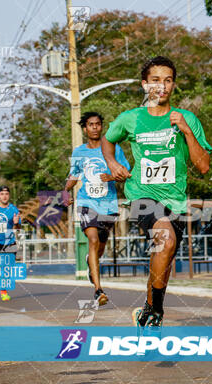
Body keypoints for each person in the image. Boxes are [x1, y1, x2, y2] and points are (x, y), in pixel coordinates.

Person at [101, 56, 212, 329]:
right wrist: (113, 163)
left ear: (173, 84)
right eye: (155, 81)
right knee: (165, 237)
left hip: (175, 199)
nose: (161, 87)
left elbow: (204, 166)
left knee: (165, 255)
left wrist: (186, 131)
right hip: (142, 194)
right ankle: (154, 311)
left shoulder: (187, 119)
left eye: (167, 80)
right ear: (144, 85)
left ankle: (148, 314)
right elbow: (108, 139)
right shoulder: (131, 119)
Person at [65, 111, 130, 306]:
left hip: (108, 204)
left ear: (102, 127)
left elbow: (126, 171)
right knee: (92, 240)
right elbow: (74, 175)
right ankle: (98, 290)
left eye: (97, 124)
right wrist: (66, 190)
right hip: (86, 202)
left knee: (101, 245)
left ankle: (89, 262)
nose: (94, 127)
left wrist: (111, 176)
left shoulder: (113, 148)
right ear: (85, 128)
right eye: (90, 125)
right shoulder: (79, 152)